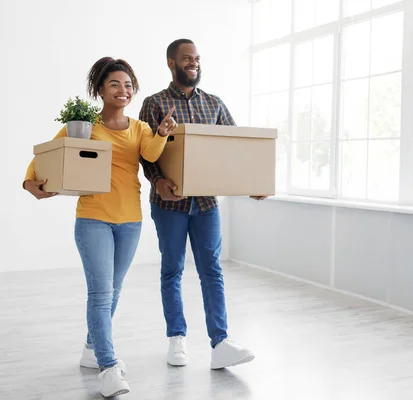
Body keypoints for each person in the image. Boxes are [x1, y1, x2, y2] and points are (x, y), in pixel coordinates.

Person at [23, 57, 177, 398]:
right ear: (100, 90)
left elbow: (151, 153)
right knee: (101, 294)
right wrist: (29, 182)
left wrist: (163, 133)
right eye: (114, 84)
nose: (123, 90)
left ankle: (92, 350)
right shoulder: (83, 125)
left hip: (130, 221)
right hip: (93, 218)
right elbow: (49, 153)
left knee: (114, 291)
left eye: (128, 85)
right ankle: (108, 367)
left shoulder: (139, 129)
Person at [139, 38, 267, 370]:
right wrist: (158, 181)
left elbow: (234, 148)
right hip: (169, 204)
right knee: (173, 269)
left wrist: (252, 182)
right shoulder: (154, 103)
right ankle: (177, 339)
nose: (193, 63)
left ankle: (221, 342)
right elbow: (144, 152)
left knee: (212, 270)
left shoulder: (214, 104)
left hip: (207, 204)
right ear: (171, 63)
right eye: (186, 58)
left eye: (196, 58)